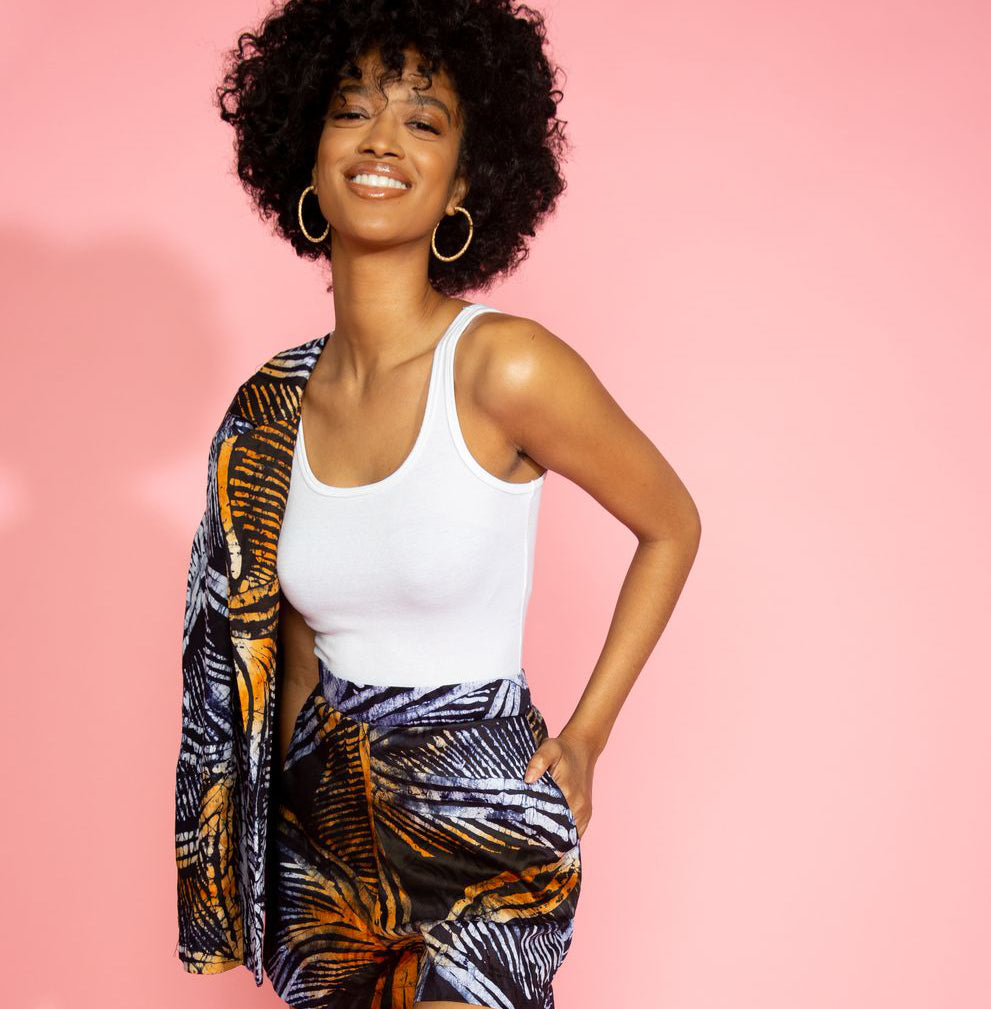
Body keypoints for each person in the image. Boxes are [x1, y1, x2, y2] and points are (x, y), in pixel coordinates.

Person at [175, 3, 701, 1007]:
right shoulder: (271, 408)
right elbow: (282, 648)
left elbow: (671, 523)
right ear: (307, 155)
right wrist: (282, 835)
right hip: (324, 839)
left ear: (465, 180)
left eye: (423, 121)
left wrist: (586, 736)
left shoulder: (505, 366)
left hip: (484, 827)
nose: (381, 141)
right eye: (351, 112)